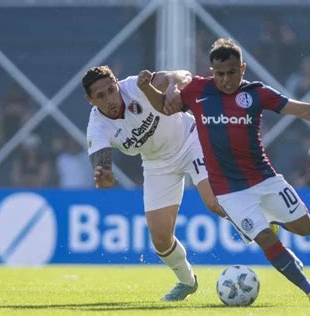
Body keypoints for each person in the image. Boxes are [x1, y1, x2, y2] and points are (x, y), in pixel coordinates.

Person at [137, 38, 310, 306]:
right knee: (264, 238)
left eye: (231, 72)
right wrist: (145, 88)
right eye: (219, 74)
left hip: (264, 178)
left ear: (242, 68)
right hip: (229, 190)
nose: (226, 79)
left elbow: (302, 109)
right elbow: (163, 106)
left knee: (305, 228)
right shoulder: (198, 90)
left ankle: (273, 225)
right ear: (211, 72)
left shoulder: (256, 93)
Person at [81, 65, 225, 301]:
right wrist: (104, 177)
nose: (110, 99)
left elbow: (183, 75)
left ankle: (259, 223)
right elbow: (102, 169)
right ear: (90, 100)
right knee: (160, 238)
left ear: (117, 83)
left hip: (190, 140)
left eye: (111, 89)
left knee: (214, 203)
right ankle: (187, 282)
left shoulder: (135, 86)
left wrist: (171, 87)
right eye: (100, 96)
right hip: (157, 164)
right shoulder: (97, 128)